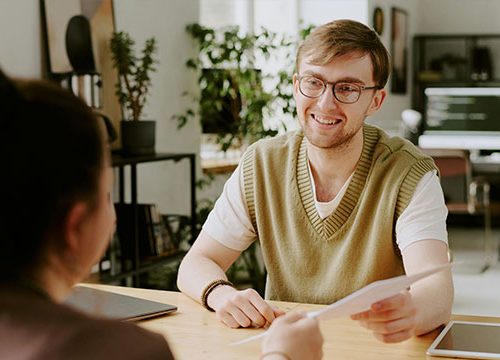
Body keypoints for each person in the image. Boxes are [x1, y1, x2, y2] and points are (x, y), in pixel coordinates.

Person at [0, 70, 323, 360]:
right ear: (73, 226)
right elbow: (196, 263)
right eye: (107, 194)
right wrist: (283, 356)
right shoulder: (119, 351)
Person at [177, 19, 453, 344]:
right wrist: (221, 294)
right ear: (296, 86)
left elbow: (436, 289)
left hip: (373, 348)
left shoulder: (409, 173)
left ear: (375, 101)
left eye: (347, 88)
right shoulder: (262, 164)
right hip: (286, 346)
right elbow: (196, 262)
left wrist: (412, 309)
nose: (325, 103)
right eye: (314, 83)